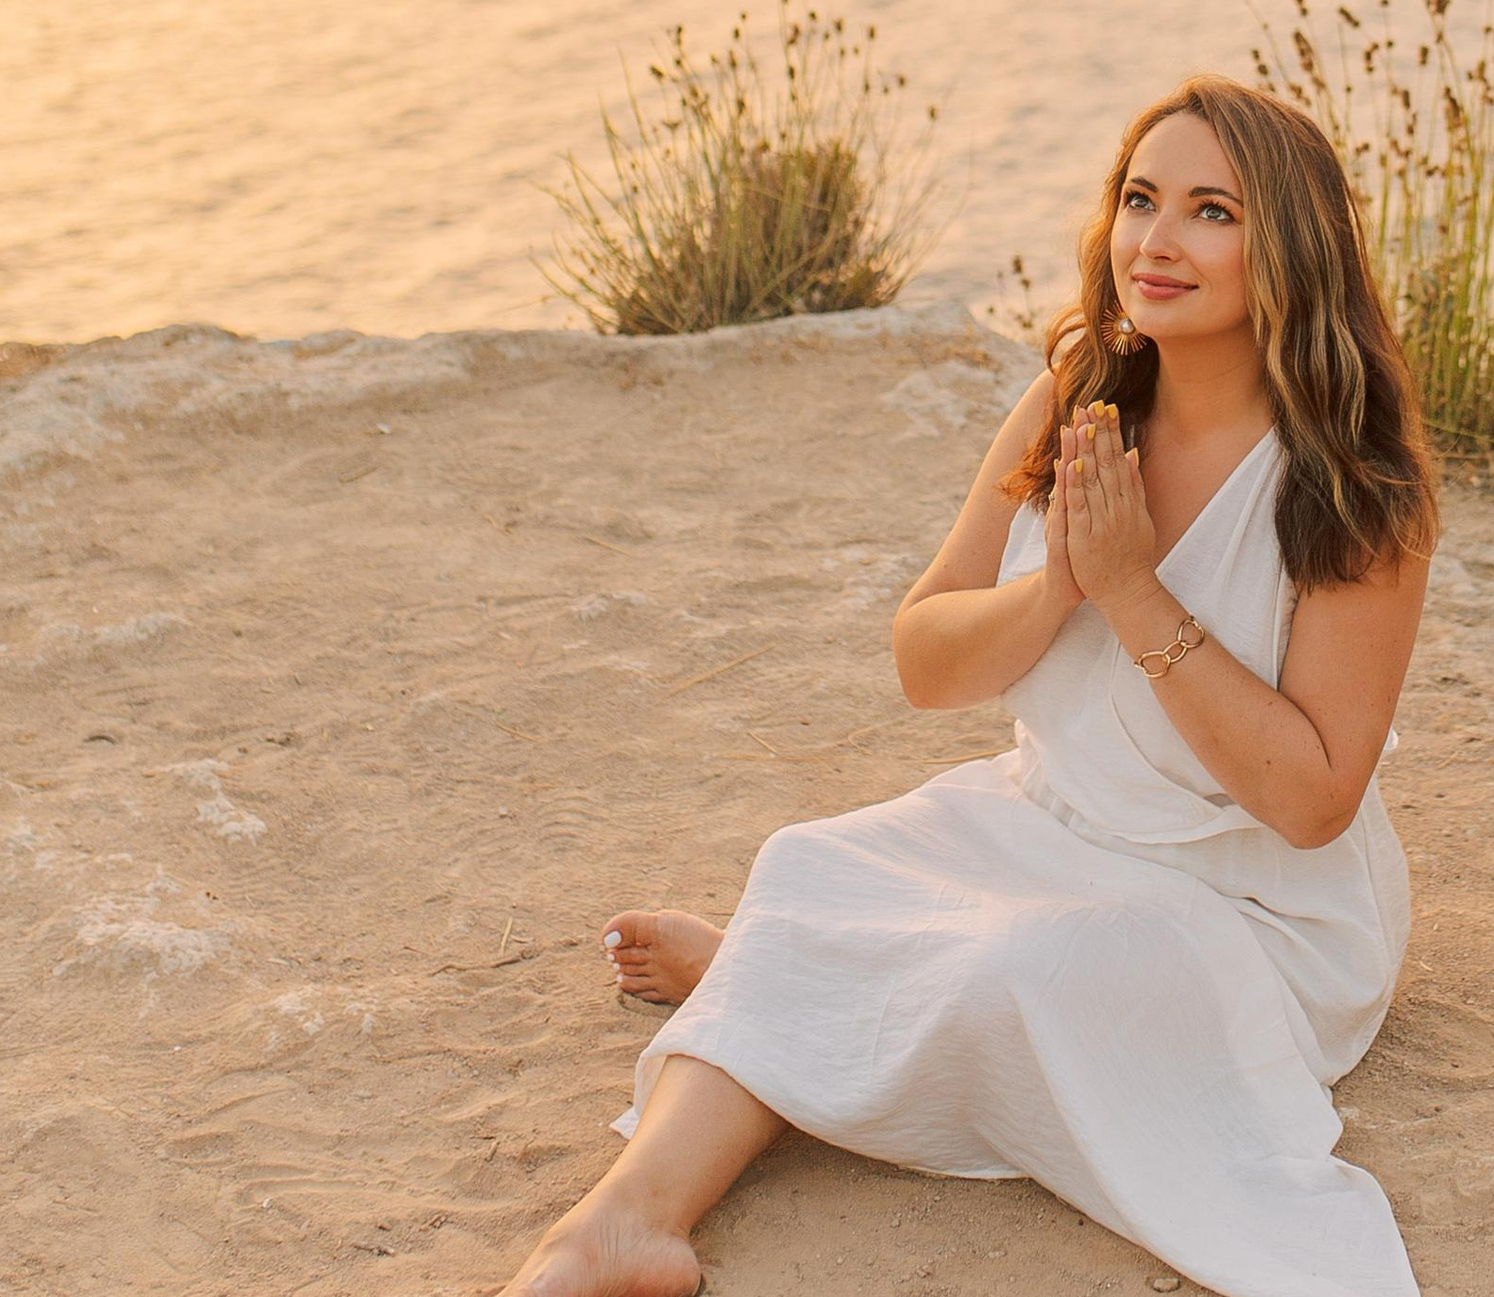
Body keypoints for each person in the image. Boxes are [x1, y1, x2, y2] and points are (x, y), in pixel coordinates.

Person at [494, 74, 1439, 1297]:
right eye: (1141, 198)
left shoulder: (1356, 486)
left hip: (1247, 910)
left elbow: (1312, 800)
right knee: (808, 865)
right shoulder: (1072, 401)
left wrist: (1138, 590)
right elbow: (924, 658)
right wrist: (1060, 589)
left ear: (1293, 253)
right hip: (1044, 824)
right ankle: (620, 1224)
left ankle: (795, 983)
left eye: (1212, 211)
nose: (1156, 242)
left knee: (1021, 971)